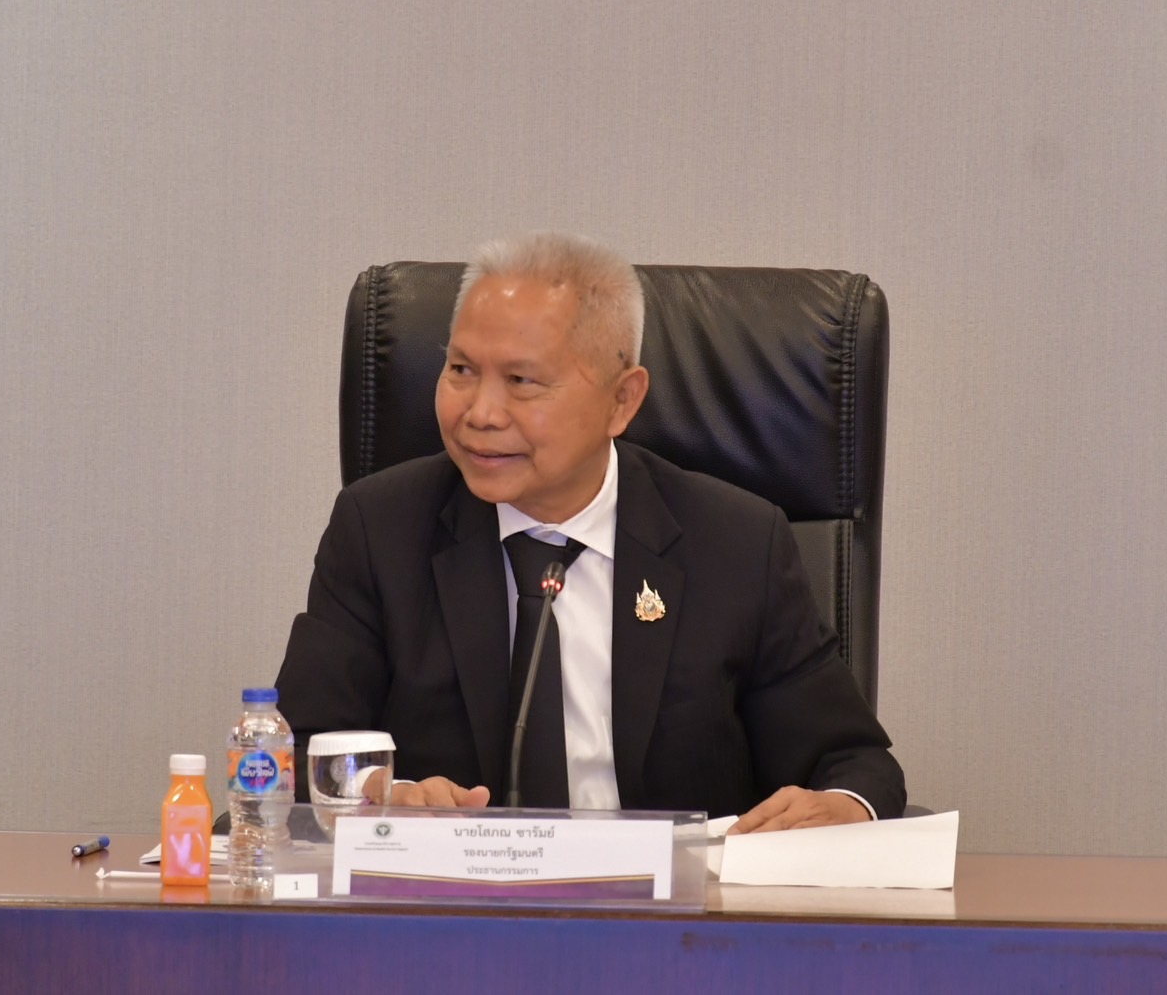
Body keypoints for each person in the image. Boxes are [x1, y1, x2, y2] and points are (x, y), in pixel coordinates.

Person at [276, 232, 904, 832]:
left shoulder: (737, 543)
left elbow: (854, 765)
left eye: (521, 381)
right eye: (461, 369)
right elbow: (295, 755)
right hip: (459, 899)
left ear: (622, 401)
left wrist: (842, 806)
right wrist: (378, 794)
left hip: (674, 903)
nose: (480, 413)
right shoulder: (380, 529)